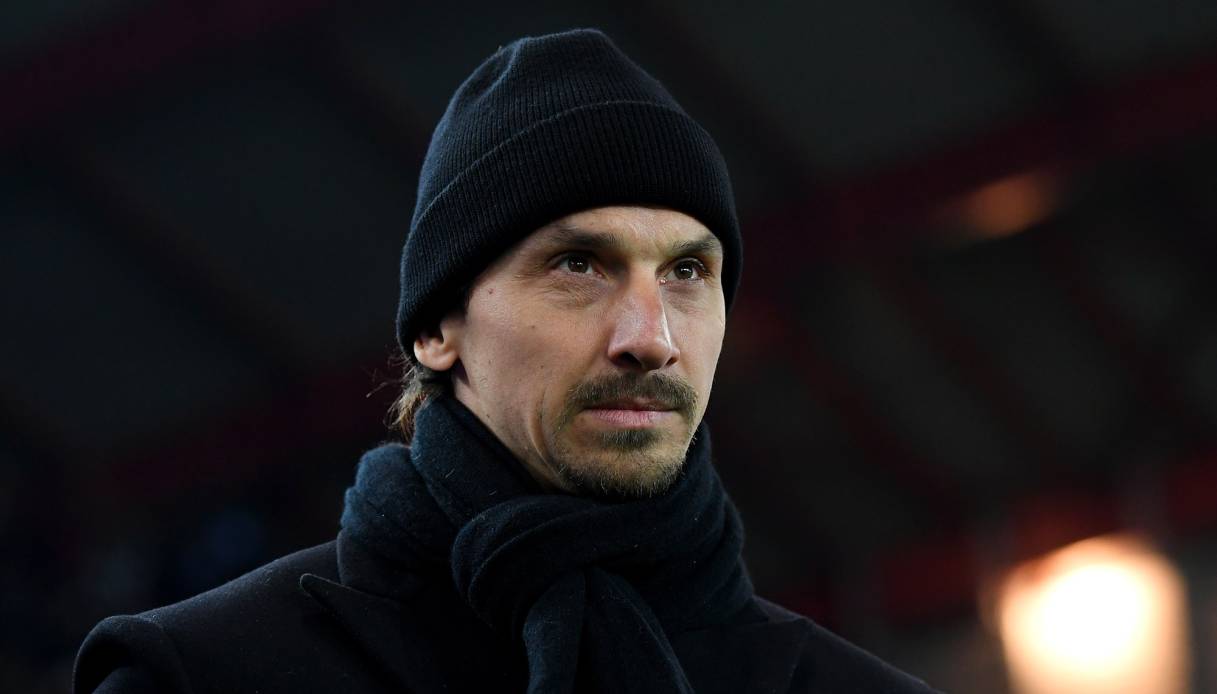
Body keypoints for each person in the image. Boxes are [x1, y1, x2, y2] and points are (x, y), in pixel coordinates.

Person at [74, 28, 938, 693]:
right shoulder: (202, 677)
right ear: (434, 329)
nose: (650, 336)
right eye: (578, 265)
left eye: (686, 272)